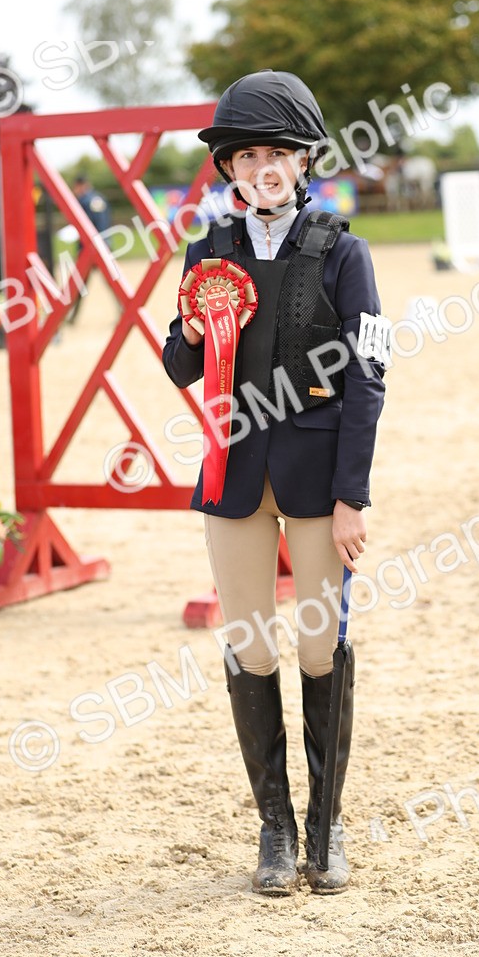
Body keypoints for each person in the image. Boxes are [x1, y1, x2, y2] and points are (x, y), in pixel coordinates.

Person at [162, 70, 387, 896]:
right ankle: (276, 830)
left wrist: (352, 495)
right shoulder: (206, 253)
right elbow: (181, 362)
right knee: (251, 647)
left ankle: (326, 830)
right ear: (229, 167)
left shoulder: (345, 251)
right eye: (246, 153)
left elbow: (368, 377)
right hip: (234, 477)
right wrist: (186, 332)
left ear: (301, 162)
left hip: (317, 478)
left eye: (277, 154)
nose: (262, 166)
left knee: (320, 647)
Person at [67, 176, 112, 323]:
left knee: (79, 283)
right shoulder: (101, 199)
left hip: (89, 248)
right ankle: (125, 309)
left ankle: (72, 316)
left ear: (80, 185)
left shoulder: (83, 202)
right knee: (112, 282)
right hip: (105, 244)